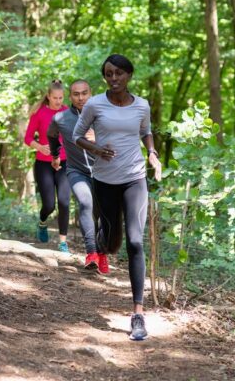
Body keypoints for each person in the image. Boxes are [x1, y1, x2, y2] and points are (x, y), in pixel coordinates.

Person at [73, 54, 162, 341]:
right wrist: (96, 150)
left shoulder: (142, 105)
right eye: (109, 74)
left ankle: (137, 314)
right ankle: (103, 239)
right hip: (104, 180)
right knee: (112, 243)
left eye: (119, 74)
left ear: (129, 75)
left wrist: (152, 154)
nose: (113, 79)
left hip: (135, 179)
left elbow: (146, 131)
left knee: (135, 242)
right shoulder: (95, 104)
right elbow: (77, 136)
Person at [47, 80, 100, 270]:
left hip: (104, 172)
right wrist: (55, 155)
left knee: (102, 214)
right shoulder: (61, 119)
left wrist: (99, 138)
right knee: (85, 203)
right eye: (76, 94)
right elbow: (51, 135)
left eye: (84, 93)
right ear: (70, 97)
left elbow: (120, 139)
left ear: (90, 94)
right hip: (77, 171)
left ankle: (101, 251)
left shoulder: (102, 115)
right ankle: (92, 253)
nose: (81, 98)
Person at [24, 80, 71, 252]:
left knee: (65, 202)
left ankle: (63, 243)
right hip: (44, 164)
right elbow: (28, 137)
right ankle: (42, 222)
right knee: (50, 205)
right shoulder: (39, 113)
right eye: (55, 98)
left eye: (61, 98)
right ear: (48, 97)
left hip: (65, 163)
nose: (58, 101)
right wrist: (40, 147)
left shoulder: (68, 112)